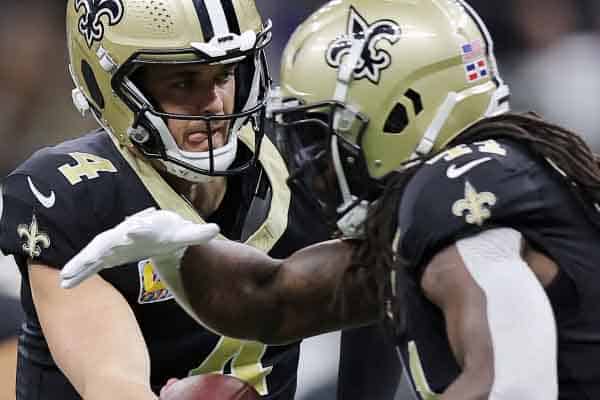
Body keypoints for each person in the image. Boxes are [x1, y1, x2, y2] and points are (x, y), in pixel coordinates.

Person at [60, 0, 600, 398]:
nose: (309, 162)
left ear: (398, 113)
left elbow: (512, 385)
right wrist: (176, 247)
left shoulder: (454, 191)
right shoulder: (498, 184)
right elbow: (275, 299)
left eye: (320, 134)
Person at [0, 0, 332, 399]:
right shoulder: (71, 194)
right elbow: (112, 381)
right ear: (112, 88)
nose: (213, 104)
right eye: (182, 82)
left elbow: (380, 291)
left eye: (225, 74)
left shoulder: (298, 160)